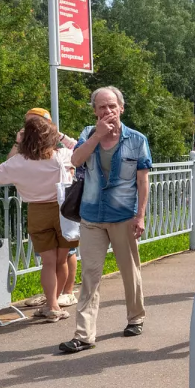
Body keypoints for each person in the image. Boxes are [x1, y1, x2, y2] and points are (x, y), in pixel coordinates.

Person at [0, 114, 78, 321]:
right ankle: (55, 301)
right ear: (50, 137)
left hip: (38, 211)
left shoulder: (17, 163)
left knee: (48, 262)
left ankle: (52, 306)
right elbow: (80, 148)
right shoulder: (60, 157)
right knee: (62, 260)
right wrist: (61, 136)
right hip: (64, 210)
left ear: (24, 138)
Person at [58, 87, 152, 354]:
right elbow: (75, 160)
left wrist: (141, 215)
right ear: (95, 111)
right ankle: (84, 335)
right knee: (90, 275)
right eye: (101, 107)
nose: (107, 111)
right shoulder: (88, 134)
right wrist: (96, 137)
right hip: (91, 216)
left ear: (121, 108)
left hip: (123, 216)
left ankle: (136, 317)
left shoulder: (136, 140)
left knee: (129, 271)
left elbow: (142, 180)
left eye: (112, 106)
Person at [10, 107, 79, 309]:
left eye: (33, 121)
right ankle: (53, 298)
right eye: (27, 121)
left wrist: (60, 136)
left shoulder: (57, 149)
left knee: (66, 254)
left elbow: (80, 149)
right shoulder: (31, 149)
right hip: (48, 206)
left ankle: (65, 293)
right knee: (56, 258)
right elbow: (11, 164)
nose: (29, 125)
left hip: (62, 204)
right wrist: (19, 142)